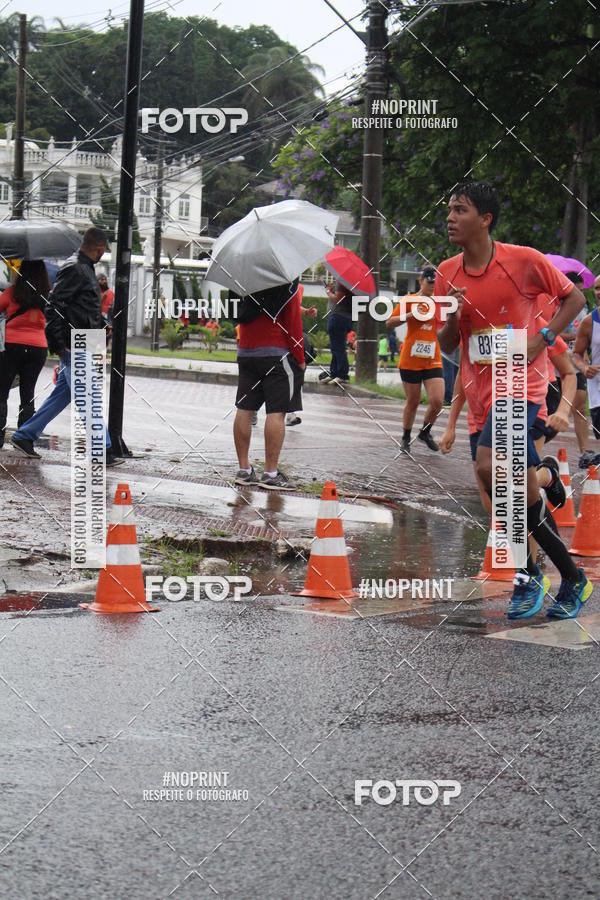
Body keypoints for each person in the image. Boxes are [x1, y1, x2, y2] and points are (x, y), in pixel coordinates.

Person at [437, 180, 592, 620]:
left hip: (520, 386)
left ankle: (533, 573)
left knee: (490, 467)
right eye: (449, 209)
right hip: (479, 392)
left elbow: (574, 297)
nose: (450, 218)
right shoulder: (447, 272)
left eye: (460, 210)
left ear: (485, 220)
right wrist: (451, 313)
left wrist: (541, 339)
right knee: (504, 492)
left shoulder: (523, 261)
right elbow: (449, 344)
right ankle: (558, 575)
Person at [10, 227, 123, 466]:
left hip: (82, 340)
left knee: (65, 395)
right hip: (76, 343)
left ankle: (25, 435)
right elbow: (54, 307)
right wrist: (60, 346)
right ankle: (103, 448)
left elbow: (77, 305)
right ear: (100, 249)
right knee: (87, 396)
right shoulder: (76, 268)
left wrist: (101, 324)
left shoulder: (83, 268)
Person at [234, 279, 305, 489]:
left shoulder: (243, 278)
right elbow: (293, 323)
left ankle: (244, 470)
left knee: (244, 408)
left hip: (246, 351)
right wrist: (300, 358)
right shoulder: (285, 279)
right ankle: (271, 473)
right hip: (276, 353)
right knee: (277, 411)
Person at [386, 266, 444, 453]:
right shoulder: (409, 300)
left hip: (432, 357)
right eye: (429, 283)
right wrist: (410, 315)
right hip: (411, 358)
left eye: (435, 283)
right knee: (413, 400)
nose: (432, 286)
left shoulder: (441, 302)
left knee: (437, 400)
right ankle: (405, 436)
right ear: (421, 282)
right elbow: (389, 322)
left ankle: (425, 432)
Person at [0, 261, 49, 448]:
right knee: (28, 394)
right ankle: (24, 439)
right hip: (38, 347)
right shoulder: (46, 296)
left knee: (2, 392)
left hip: (12, 346)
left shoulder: (12, 292)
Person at [557, 273, 593, 467]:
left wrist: (584, 355)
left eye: (581, 289)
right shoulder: (554, 306)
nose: (579, 293)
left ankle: (584, 452)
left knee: (579, 407)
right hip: (555, 364)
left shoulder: (583, 309)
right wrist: (574, 336)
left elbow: (583, 338)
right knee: (553, 410)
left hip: (575, 364)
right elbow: (550, 331)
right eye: (575, 289)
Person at [572, 274, 600, 461]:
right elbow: (576, 354)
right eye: (597, 288)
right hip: (598, 390)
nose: (599, 292)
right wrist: (583, 368)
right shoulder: (589, 321)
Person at [322, 280, 353, 384]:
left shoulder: (342, 282)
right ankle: (334, 373)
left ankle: (342, 375)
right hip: (342, 317)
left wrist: (327, 291)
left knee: (338, 347)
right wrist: (331, 289)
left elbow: (337, 299)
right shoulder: (345, 283)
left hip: (339, 317)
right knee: (335, 347)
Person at [98, 273, 114, 351]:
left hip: (107, 316)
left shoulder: (110, 293)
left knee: (108, 333)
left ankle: (107, 349)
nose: (104, 281)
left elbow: (111, 305)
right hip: (97, 316)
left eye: (105, 280)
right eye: (102, 280)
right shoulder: (95, 292)